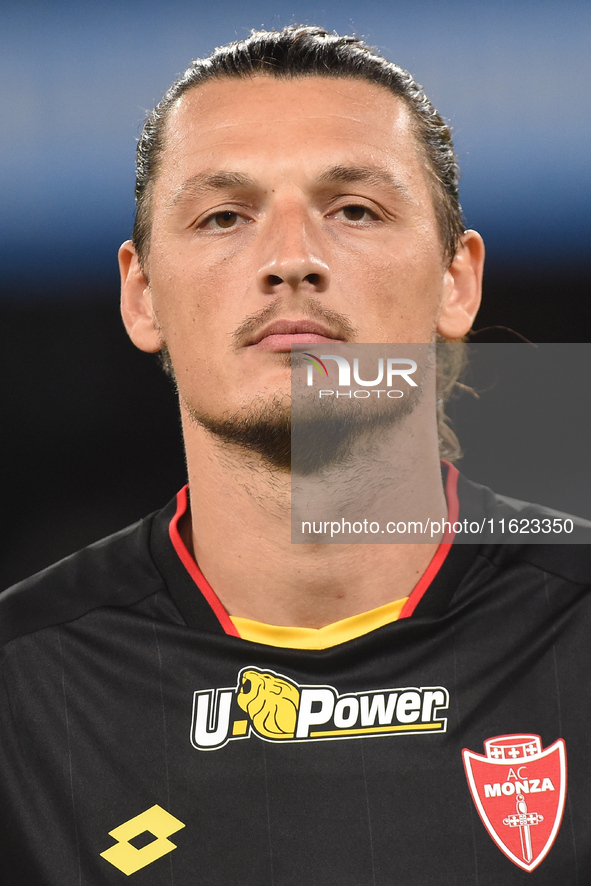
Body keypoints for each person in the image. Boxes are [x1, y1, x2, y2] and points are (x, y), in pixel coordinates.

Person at [1, 25, 589, 884]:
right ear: (142, 296)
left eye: (354, 209)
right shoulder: (23, 691)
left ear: (456, 281)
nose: (290, 260)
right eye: (224, 217)